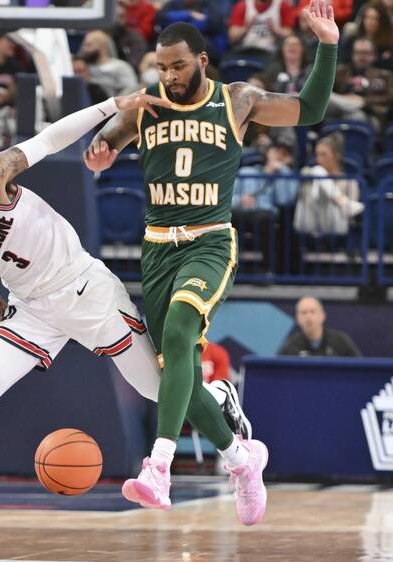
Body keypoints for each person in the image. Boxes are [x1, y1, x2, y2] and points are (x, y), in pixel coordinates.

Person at [0, 92, 251, 548]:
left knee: (159, 390)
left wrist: (113, 105)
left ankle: (216, 394)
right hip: (31, 310)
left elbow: (50, 139)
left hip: (85, 289)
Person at [84, 1, 340, 524]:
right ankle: (241, 459)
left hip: (208, 242)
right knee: (175, 374)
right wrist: (100, 151)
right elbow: (103, 145)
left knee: (179, 334)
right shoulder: (143, 108)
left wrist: (327, 46)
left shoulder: (237, 100)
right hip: (157, 247)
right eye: (161, 67)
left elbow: (309, 110)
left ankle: (158, 467)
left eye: (178, 66)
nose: (170, 75)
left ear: (202, 60)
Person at [294, 133, 363, 237]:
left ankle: (342, 202)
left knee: (318, 172)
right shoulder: (309, 175)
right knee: (317, 171)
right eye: (317, 154)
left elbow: (349, 216)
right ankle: (342, 201)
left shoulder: (350, 182)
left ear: (337, 156)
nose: (318, 159)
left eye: (323, 154)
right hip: (310, 222)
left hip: (336, 225)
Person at [278, 296, 362, 356]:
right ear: (297, 319)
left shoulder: (340, 341)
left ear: (322, 316)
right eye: (304, 313)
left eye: (312, 312)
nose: (308, 317)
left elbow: (359, 368)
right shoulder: (290, 347)